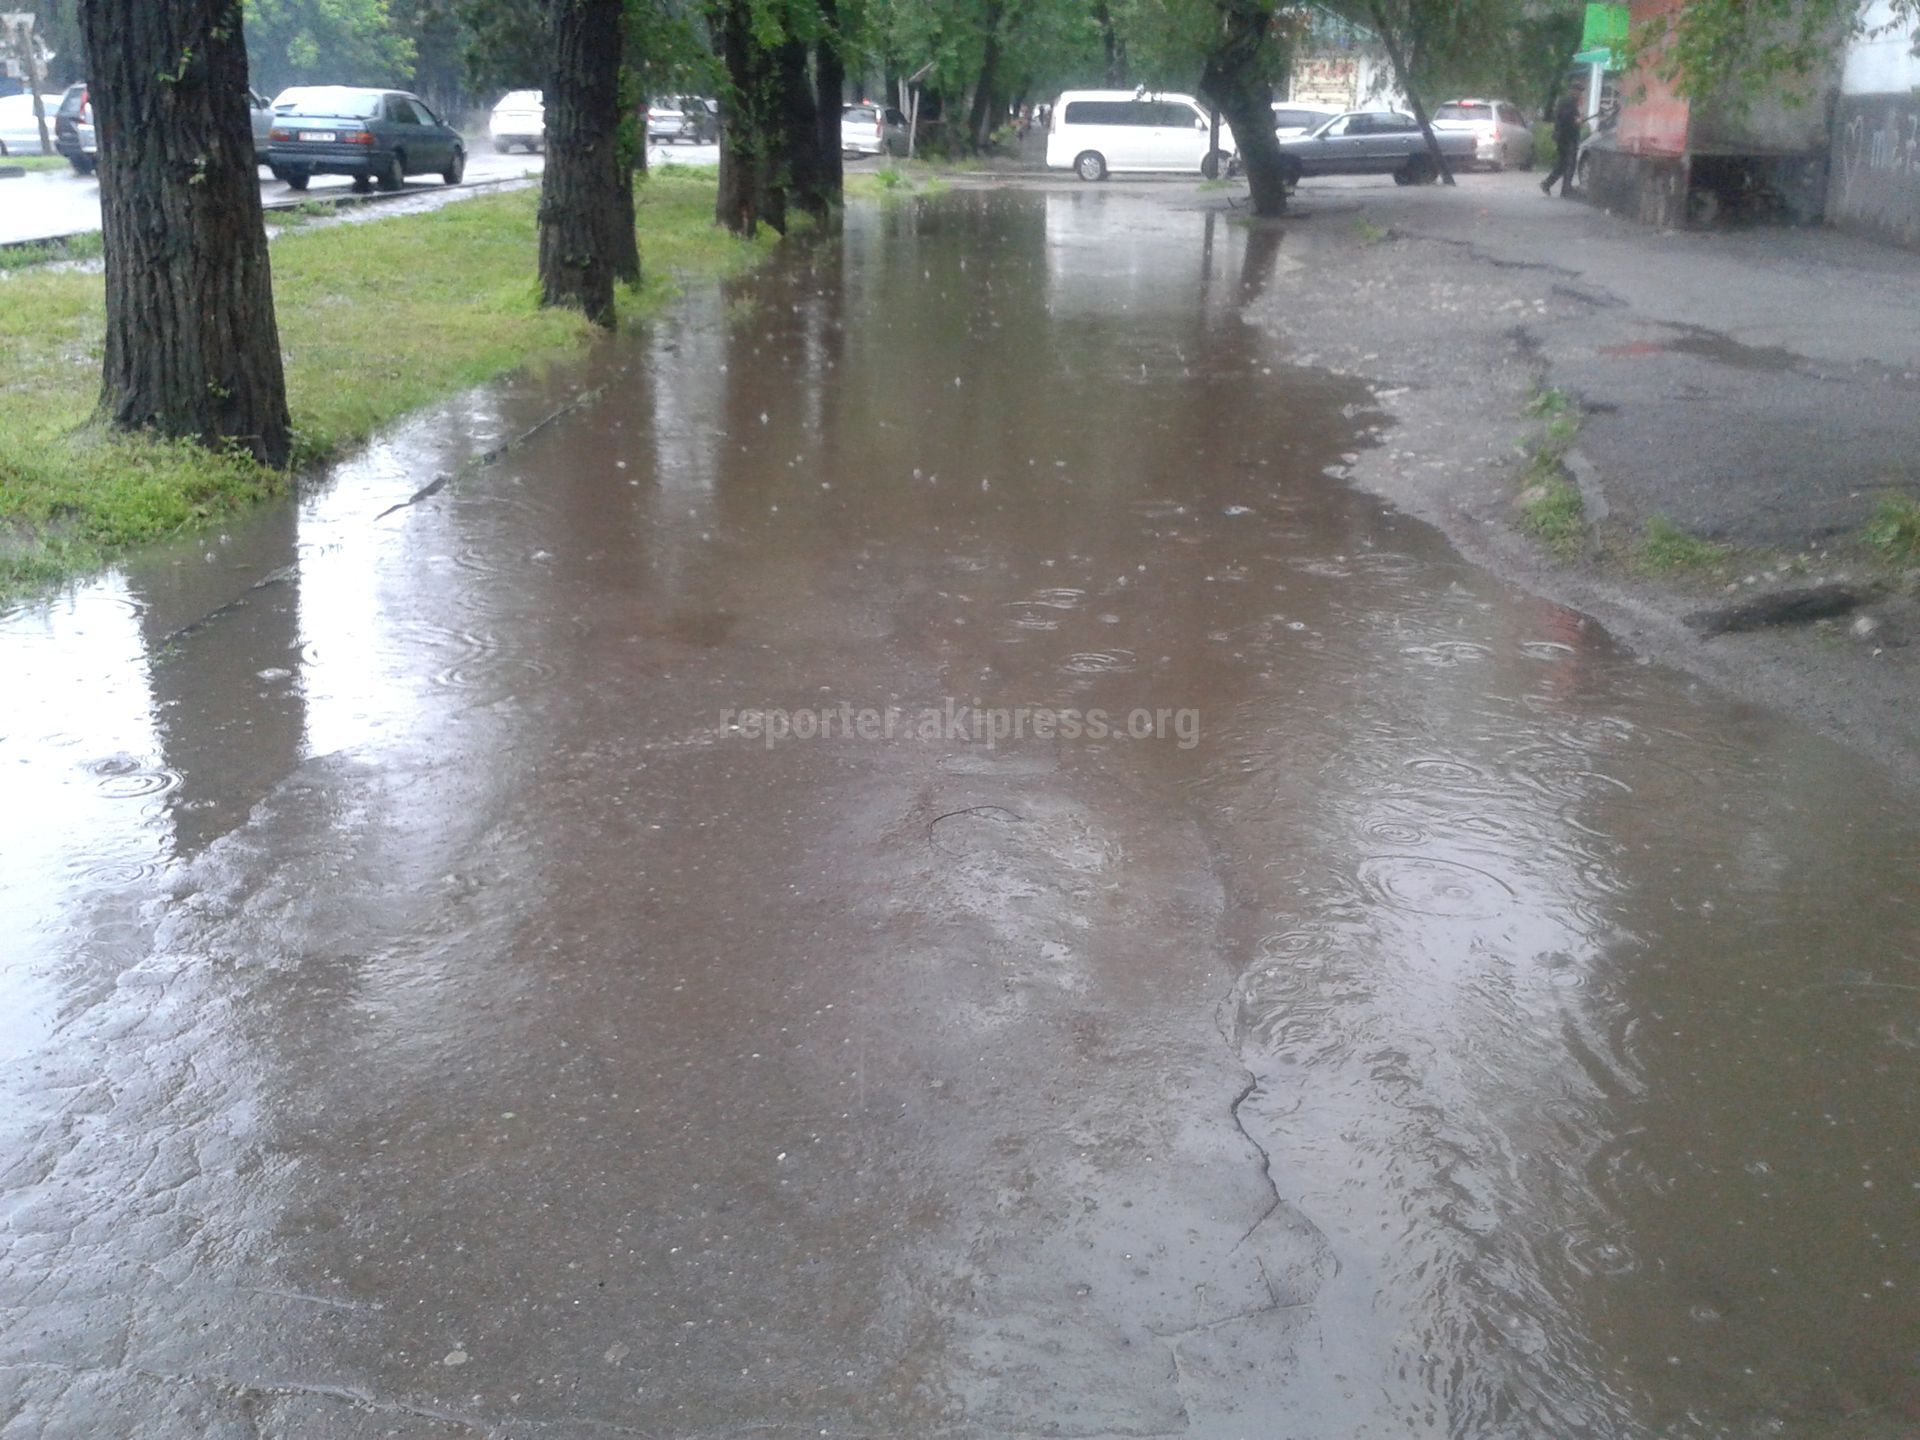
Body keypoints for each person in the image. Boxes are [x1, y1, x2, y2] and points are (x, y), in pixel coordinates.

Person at [1540, 91, 1585, 197]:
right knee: (1569, 164)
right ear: (1576, 93)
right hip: (1568, 138)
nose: (1581, 95)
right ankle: (1565, 189)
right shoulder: (1570, 105)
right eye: (1580, 93)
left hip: (1563, 138)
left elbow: (1560, 119)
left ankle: (1549, 184)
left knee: (1563, 163)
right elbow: (1567, 120)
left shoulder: (1565, 102)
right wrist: (1577, 121)